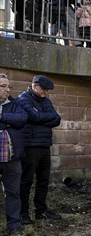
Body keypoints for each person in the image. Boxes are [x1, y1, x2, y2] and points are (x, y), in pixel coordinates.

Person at [17, 75, 62, 224]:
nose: (46, 93)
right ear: (34, 86)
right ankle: (22, 213)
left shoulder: (46, 101)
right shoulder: (23, 99)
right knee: (26, 181)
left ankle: (41, 211)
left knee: (43, 180)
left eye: (47, 90)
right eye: (44, 89)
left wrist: (40, 118)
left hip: (44, 146)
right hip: (30, 147)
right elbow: (34, 117)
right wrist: (43, 118)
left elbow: (57, 119)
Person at [0, 73, 27, 235]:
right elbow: (14, 121)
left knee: (13, 192)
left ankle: (14, 225)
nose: (7, 90)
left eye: (9, 86)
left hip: (12, 157)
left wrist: (1, 116)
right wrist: (9, 122)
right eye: (3, 86)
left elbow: (22, 119)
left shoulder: (16, 103)